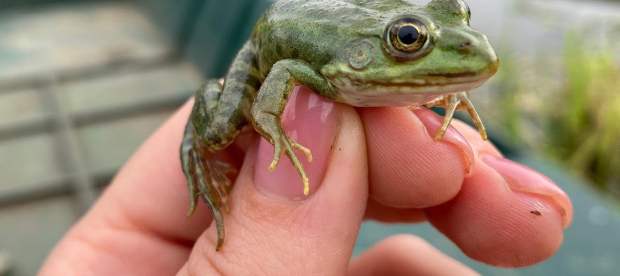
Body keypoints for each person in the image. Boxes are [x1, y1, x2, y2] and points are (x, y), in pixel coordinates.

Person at [38, 87, 572, 275]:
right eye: (409, 39)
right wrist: (271, 125)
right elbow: (288, 70)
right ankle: (195, 145)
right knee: (222, 126)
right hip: (280, 48)